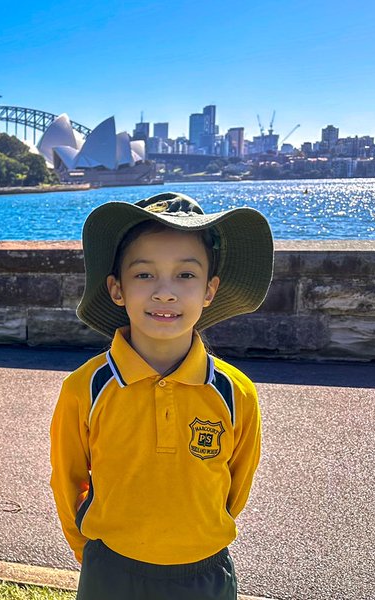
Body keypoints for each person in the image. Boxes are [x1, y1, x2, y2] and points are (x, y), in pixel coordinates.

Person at [50, 192, 274, 599]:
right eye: (144, 275)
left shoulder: (234, 391)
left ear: (210, 290)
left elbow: (236, 486)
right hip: (111, 571)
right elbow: (69, 482)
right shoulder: (86, 387)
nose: (165, 293)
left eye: (186, 276)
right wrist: (94, 552)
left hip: (204, 574)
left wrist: (196, 536)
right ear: (117, 289)